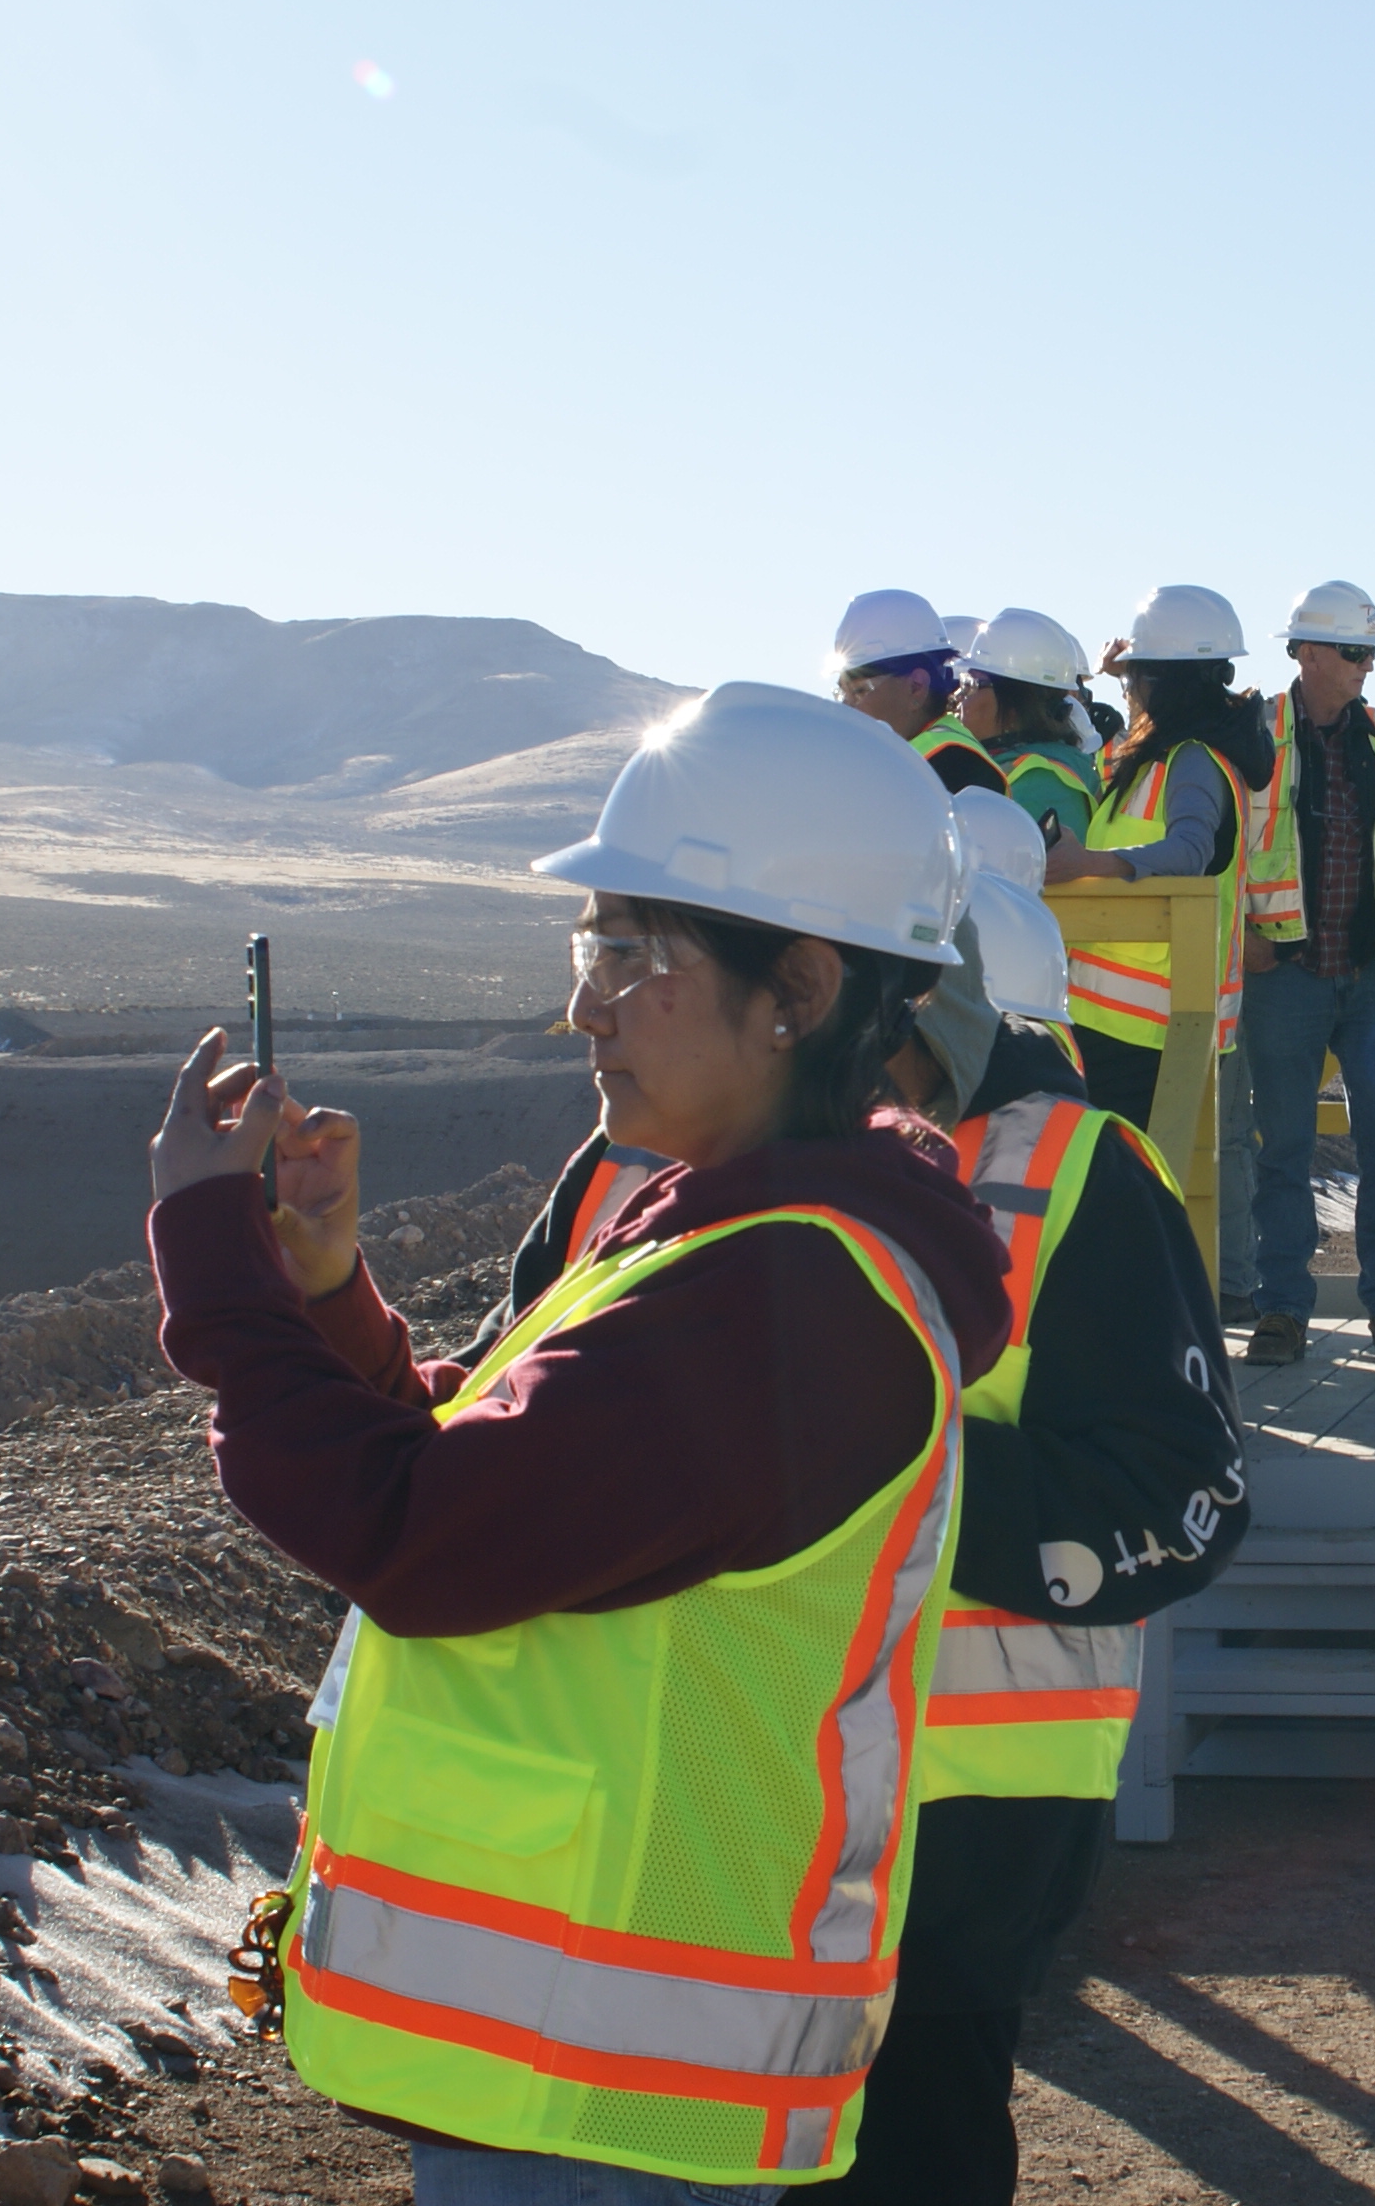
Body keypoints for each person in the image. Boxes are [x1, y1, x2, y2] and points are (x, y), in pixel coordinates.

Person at [147, 681, 1009, 2197]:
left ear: (798, 987)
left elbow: (421, 1533)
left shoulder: (792, 1296)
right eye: (587, 946)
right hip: (590, 2085)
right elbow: (496, 1458)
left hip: (614, 2112)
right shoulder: (734, 1235)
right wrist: (329, 1287)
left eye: (629, 949)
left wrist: (211, 1266)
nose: (583, 1003)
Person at [790, 794, 1246, 2203]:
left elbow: (1186, 1497)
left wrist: (888, 1474)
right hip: (745, 1783)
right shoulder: (706, 1167)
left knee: (911, 2146)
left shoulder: (1078, 1183)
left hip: (963, 1811)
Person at [1231, 580, 1375, 1369]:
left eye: (1369, 654)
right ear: (1307, 653)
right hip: (1284, 974)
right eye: (1354, 653)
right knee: (1281, 1147)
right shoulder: (1252, 734)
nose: (1366, 669)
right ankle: (1282, 1309)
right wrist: (1239, 937)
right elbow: (1224, 850)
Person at [1044, 586, 1273, 1151]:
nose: (1130, 688)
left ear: (1162, 680)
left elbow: (1189, 850)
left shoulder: (1193, 758)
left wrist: (1085, 863)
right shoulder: (1164, 753)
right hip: (1122, 1026)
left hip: (1153, 1034)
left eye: (1136, 677)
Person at [834, 589, 1009, 796]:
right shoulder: (907, 758)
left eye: (859, 691)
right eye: (841, 694)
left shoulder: (956, 764)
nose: (846, 708)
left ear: (916, 687)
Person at [958, 609, 1102, 843]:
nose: (960, 697)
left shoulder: (1040, 782)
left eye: (972, 684)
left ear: (1015, 705)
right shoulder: (1016, 768)